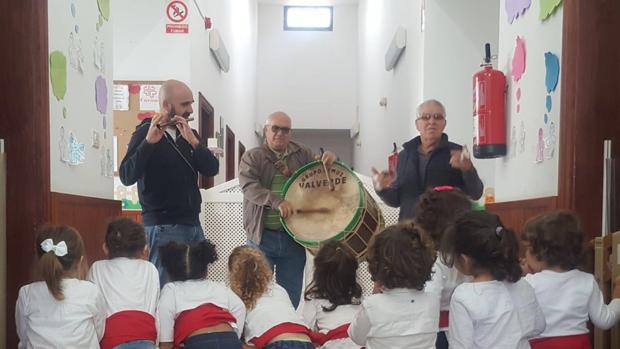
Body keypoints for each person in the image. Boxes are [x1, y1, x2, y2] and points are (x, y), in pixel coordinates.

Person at [119, 79, 219, 284]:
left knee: (196, 286)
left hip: (192, 223)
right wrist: (148, 144)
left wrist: (194, 142)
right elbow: (127, 175)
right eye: (184, 104)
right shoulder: (145, 131)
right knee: (166, 287)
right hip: (162, 226)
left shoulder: (190, 134)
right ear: (166, 105)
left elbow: (211, 169)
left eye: (191, 103)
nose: (190, 109)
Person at [238, 111, 336, 308]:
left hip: (294, 237)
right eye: (275, 128)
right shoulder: (253, 157)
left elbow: (321, 175)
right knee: (257, 293)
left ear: (291, 133)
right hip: (261, 237)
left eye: (285, 130)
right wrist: (277, 201)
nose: (280, 133)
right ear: (266, 130)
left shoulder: (303, 154)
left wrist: (331, 158)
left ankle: (285, 328)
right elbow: (249, 187)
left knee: (290, 295)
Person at [440, 211, 546, 349]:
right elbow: (539, 326)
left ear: (464, 260)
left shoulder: (463, 295)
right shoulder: (523, 284)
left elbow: (460, 346)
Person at [371, 99, 483, 221]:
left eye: (437, 117)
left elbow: (476, 193)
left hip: (445, 232)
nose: (432, 121)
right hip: (411, 232)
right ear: (417, 124)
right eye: (425, 117)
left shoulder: (456, 153)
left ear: (444, 124)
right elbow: (397, 200)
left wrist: (468, 169)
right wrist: (381, 189)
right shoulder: (404, 155)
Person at [521, 211, 620, 349]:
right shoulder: (587, 281)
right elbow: (605, 321)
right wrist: (617, 297)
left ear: (540, 253)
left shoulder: (528, 283)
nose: (524, 255)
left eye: (527, 248)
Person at [348, 222, 440, 348]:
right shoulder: (433, 301)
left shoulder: (372, 305)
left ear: (377, 264)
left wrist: (375, 295)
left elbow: (356, 337)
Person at [16, 225, 106, 348]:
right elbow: (99, 332)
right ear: (79, 261)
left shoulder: (26, 293)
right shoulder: (91, 291)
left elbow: (24, 336)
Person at [157, 241, 246, 349]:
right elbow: (240, 307)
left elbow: (165, 317)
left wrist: (166, 342)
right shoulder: (218, 287)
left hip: (198, 341)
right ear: (205, 269)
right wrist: (235, 334)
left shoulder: (171, 289)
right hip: (229, 338)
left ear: (171, 270)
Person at [88, 217, 160, 349]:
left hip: (111, 340)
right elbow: (155, 306)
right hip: (147, 338)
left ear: (105, 247)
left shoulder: (97, 268)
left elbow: (94, 309)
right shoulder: (150, 269)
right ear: (144, 248)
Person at [415, 186, 473, 349]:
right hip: (469, 326)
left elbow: (429, 302)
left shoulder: (435, 260)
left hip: (441, 332)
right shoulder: (470, 253)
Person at [228, 246, 314, 349]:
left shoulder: (236, 295)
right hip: (305, 339)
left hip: (277, 342)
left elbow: (235, 334)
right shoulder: (278, 289)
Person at [302, 240, 363, 349]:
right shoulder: (357, 294)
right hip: (359, 343)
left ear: (319, 272)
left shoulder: (314, 297)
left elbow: (307, 330)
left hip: (332, 344)